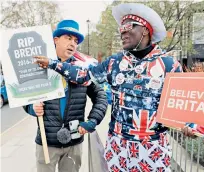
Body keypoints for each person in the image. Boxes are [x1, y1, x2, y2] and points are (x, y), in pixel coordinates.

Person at [34, 4, 194, 171]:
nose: (122, 33)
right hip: (118, 148)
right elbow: (84, 76)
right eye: (121, 29)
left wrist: (188, 125)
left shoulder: (169, 65)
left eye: (127, 28)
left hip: (152, 149)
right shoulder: (115, 62)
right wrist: (52, 64)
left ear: (145, 30)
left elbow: (181, 106)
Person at [24, 19, 108, 172]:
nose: (73, 43)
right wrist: (31, 108)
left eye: (76, 40)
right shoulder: (39, 66)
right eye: (68, 38)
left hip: (73, 144)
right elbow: (26, 98)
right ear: (56, 40)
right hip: (46, 142)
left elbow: (101, 97)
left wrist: (93, 120)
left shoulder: (82, 71)